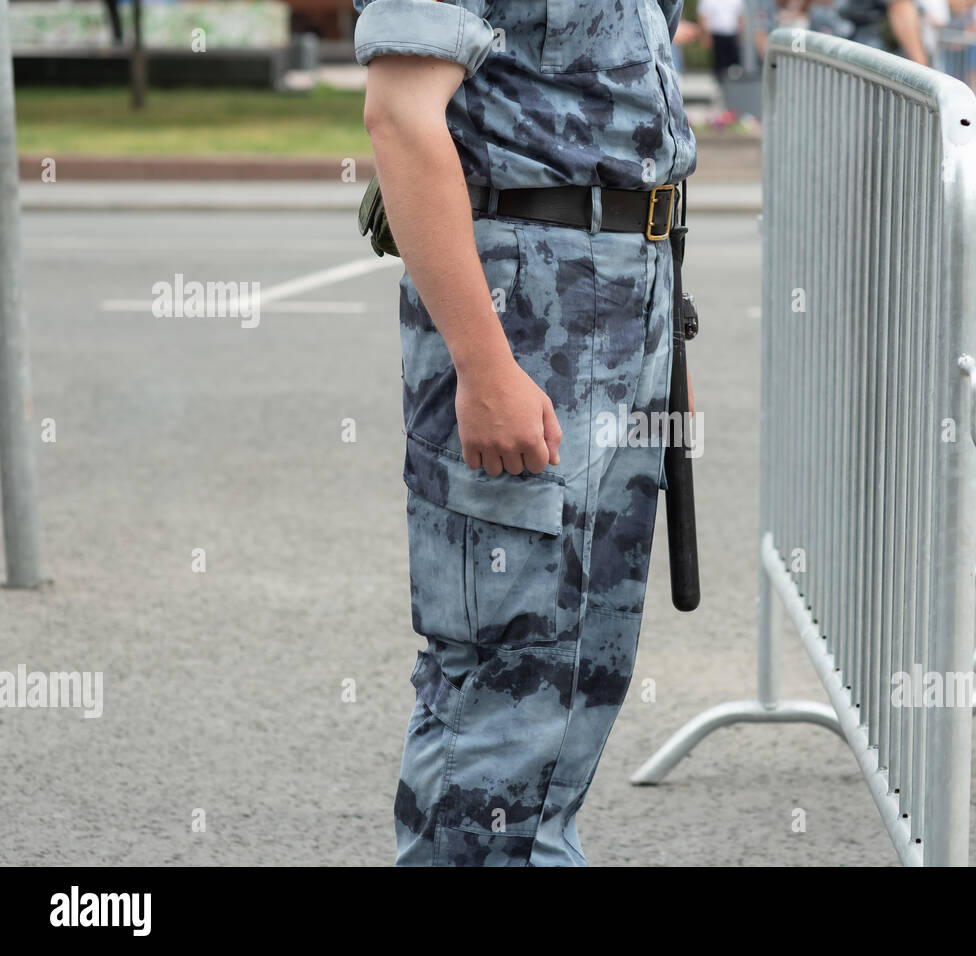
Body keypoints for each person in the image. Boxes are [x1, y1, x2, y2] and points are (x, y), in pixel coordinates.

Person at [352, 0, 695, 866]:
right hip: (526, 312)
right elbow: (400, 112)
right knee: (506, 680)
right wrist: (484, 366)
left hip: (624, 296)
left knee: (579, 673)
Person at [699, 0, 747, 81]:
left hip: (732, 34)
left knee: (734, 65)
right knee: (719, 65)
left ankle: (734, 85)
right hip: (716, 34)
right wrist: (705, 36)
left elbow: (741, 16)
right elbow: (703, 16)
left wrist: (740, 34)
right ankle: (721, 85)